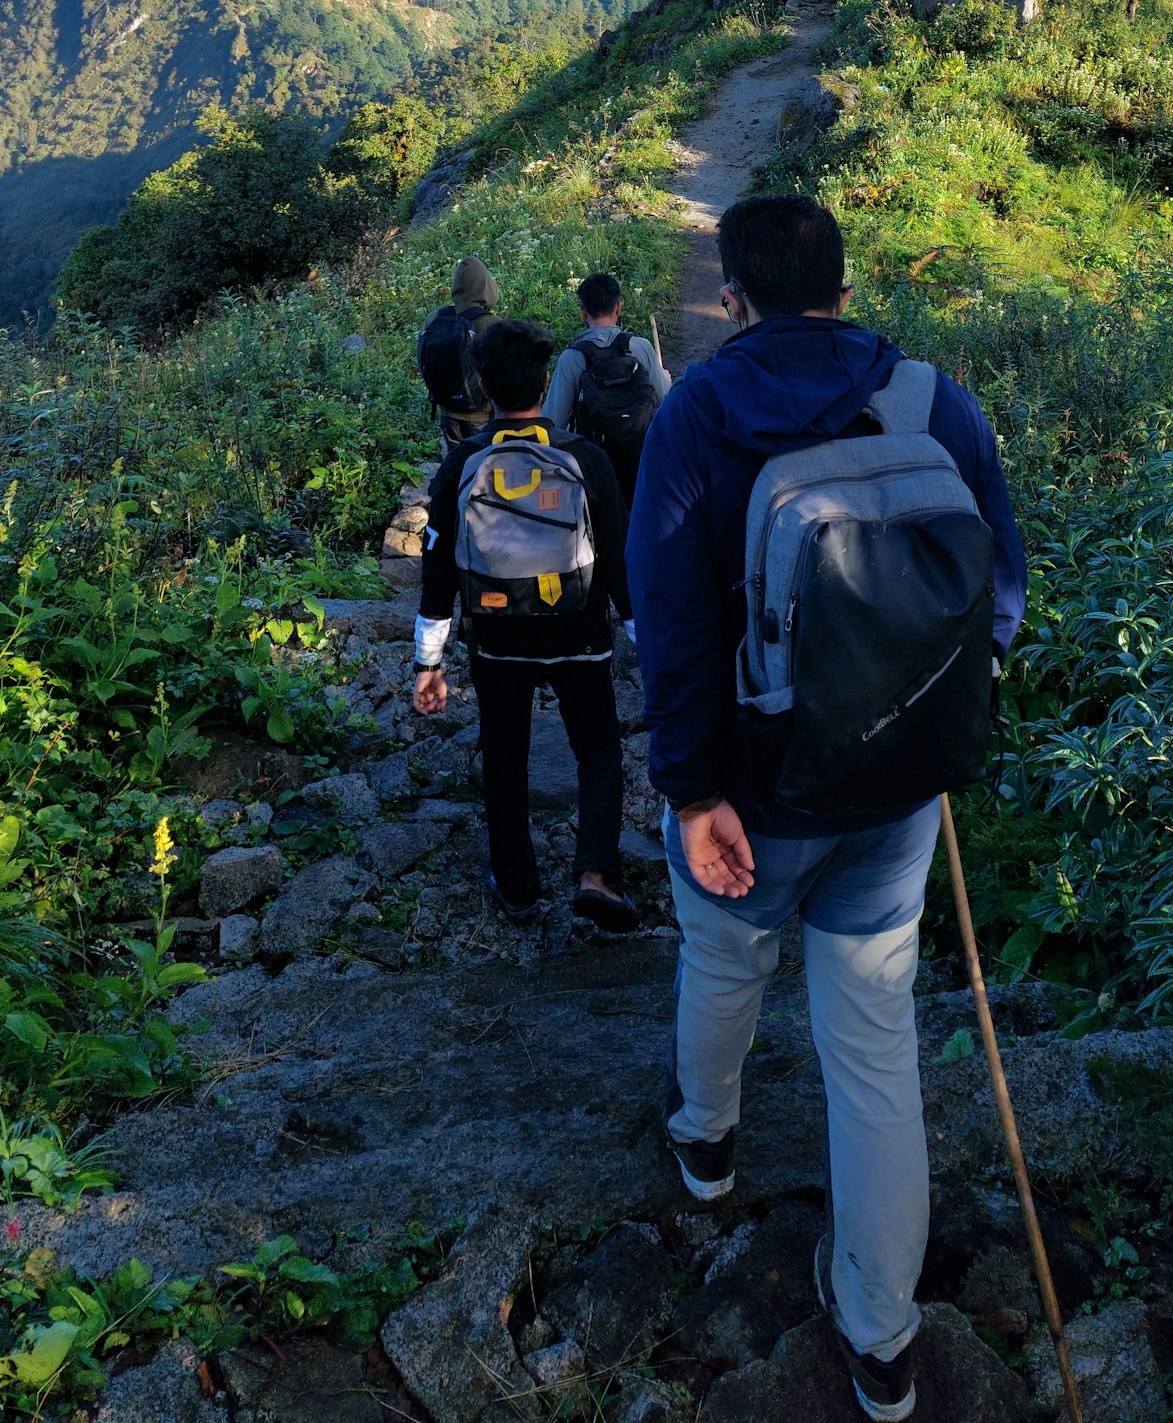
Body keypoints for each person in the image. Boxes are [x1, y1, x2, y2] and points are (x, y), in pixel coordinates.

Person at [627, 195, 1027, 1423]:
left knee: (724, 955)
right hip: (898, 792)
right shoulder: (930, 400)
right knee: (874, 1051)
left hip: (754, 792)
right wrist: (929, 706)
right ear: (846, 289)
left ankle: (708, 1143)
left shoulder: (697, 412)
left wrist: (694, 791)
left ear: (732, 298)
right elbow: (999, 588)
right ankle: (884, 1342)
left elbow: (671, 622)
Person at [414, 315, 641, 933]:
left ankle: (517, 886)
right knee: (597, 750)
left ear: (482, 385)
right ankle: (596, 873)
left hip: (497, 640)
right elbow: (619, 559)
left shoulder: (462, 464)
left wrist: (428, 663)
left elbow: (436, 567)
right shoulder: (584, 458)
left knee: (506, 756)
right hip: (580, 635)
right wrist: (648, 640)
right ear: (547, 379)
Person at [545, 271, 671, 502]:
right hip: (640, 463)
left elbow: (553, 423)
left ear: (583, 312)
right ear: (618, 308)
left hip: (593, 469)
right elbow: (664, 401)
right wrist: (666, 378)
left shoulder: (572, 358)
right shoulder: (640, 347)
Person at [417, 255, 498, 450]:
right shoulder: (493, 325)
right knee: (482, 472)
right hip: (482, 415)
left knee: (456, 468)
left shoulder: (435, 318)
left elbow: (423, 361)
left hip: (447, 412)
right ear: (486, 286)